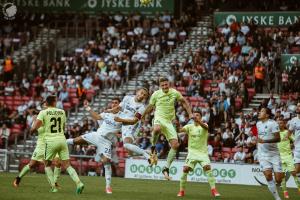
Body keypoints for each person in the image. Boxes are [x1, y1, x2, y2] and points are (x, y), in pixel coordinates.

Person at [67, 98, 122, 194]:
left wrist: (119, 135)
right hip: (96, 135)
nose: (113, 104)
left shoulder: (121, 117)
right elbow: (96, 117)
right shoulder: (107, 114)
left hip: (106, 142)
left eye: (116, 103)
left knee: (106, 161)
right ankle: (57, 142)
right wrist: (88, 107)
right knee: (75, 141)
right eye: (112, 102)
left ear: (119, 105)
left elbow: (124, 131)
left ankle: (108, 187)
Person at [30, 95, 84, 194]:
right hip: (62, 139)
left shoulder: (43, 112)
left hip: (50, 141)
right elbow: (63, 127)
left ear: (46, 103)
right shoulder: (62, 112)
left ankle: (53, 187)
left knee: (47, 164)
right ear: (54, 102)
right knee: (67, 165)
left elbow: (35, 126)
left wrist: (31, 131)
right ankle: (79, 183)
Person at [142, 77, 193, 180]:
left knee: (175, 145)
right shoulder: (156, 94)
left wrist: (190, 113)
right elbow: (150, 106)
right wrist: (142, 115)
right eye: (163, 85)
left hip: (170, 121)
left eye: (166, 85)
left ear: (169, 84)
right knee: (156, 129)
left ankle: (166, 168)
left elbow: (184, 102)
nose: (165, 86)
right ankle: (153, 148)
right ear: (160, 86)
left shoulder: (175, 92)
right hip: (159, 118)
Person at [13, 103, 62, 188]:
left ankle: (54, 182)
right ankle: (18, 178)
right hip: (41, 145)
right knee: (32, 164)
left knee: (57, 162)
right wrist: (35, 124)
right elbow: (32, 131)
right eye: (45, 106)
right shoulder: (37, 119)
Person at [106, 86, 156, 166]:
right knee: (130, 152)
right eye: (141, 93)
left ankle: (147, 156)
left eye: (144, 95)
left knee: (126, 144)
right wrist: (110, 111)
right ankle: (148, 152)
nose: (142, 95)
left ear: (145, 98)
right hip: (124, 124)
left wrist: (120, 120)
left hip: (133, 126)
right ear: (137, 92)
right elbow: (119, 107)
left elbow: (134, 121)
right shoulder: (127, 98)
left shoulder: (141, 108)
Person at [177, 110, 220, 197]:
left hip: (202, 153)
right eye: (194, 115)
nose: (195, 116)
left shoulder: (204, 125)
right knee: (185, 170)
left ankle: (214, 190)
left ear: (201, 117)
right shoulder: (189, 126)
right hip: (192, 153)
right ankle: (181, 191)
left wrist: (198, 121)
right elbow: (180, 130)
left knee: (208, 168)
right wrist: (176, 123)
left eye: (197, 115)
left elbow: (206, 127)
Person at [257, 107, 283, 200]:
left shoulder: (273, 123)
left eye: (262, 111)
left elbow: (278, 138)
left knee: (278, 179)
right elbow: (259, 137)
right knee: (268, 176)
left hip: (274, 154)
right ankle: (277, 198)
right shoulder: (258, 124)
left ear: (267, 115)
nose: (259, 112)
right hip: (262, 154)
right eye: (260, 111)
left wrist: (264, 141)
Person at [277, 118, 300, 198]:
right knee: (282, 175)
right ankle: (285, 191)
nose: (279, 124)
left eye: (281, 123)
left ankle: (299, 188)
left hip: (288, 155)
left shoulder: (287, 132)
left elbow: (295, 140)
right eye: (278, 123)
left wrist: (292, 146)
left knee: (294, 173)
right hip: (279, 157)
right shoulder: (275, 134)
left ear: (284, 124)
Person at [288, 102, 300, 193]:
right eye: (298, 106)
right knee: (295, 172)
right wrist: (291, 142)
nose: (298, 107)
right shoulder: (293, 120)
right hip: (298, 149)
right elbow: (289, 133)